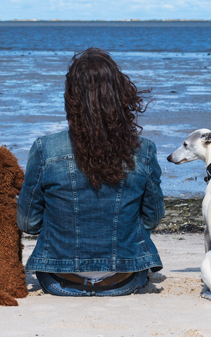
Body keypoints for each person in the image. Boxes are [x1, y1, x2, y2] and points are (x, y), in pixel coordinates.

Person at [16, 47, 165, 296]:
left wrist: (61, 225)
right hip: (122, 279)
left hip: (59, 279)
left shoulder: (45, 149)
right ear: (118, 95)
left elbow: (28, 223)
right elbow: (152, 218)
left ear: (71, 98)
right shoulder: (144, 150)